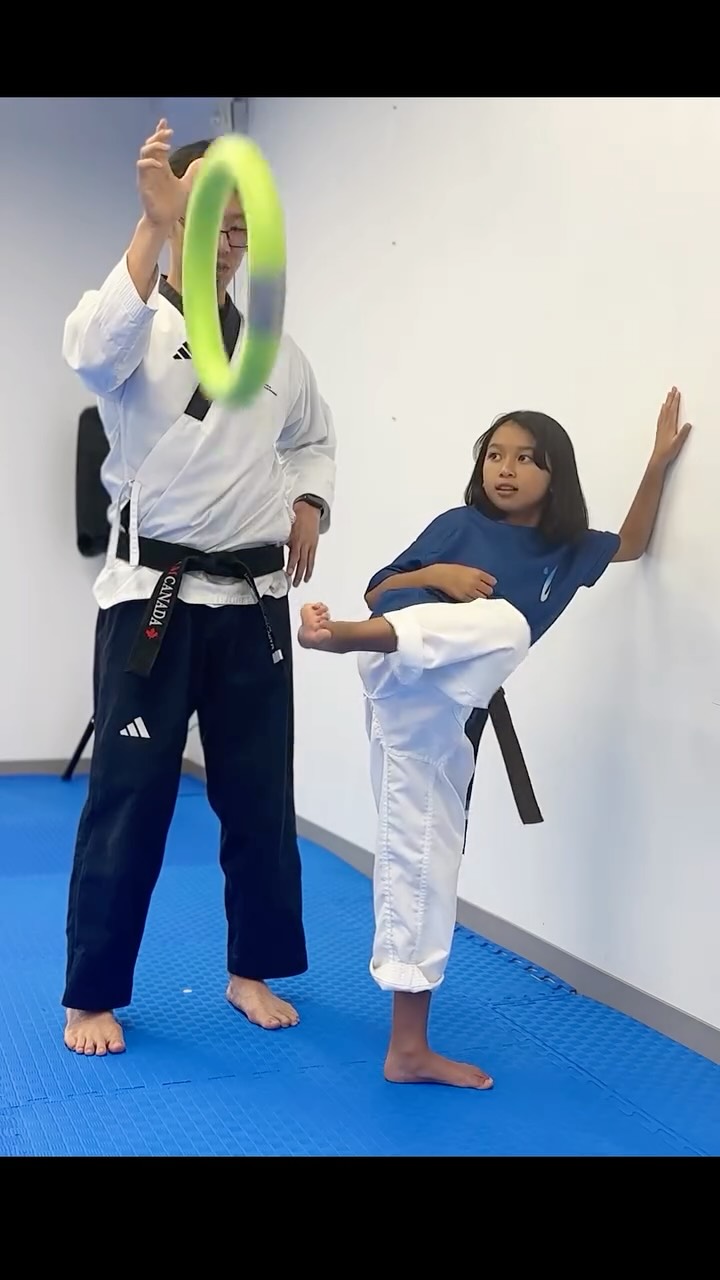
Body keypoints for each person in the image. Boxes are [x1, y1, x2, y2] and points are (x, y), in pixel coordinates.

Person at [298, 388, 691, 1089]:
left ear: (556, 474)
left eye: (525, 459)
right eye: (495, 456)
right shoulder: (459, 525)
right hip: (399, 670)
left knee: (426, 862)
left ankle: (408, 1046)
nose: (505, 469)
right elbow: (380, 588)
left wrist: (657, 462)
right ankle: (343, 640)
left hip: (448, 710)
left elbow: (630, 544)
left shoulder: (567, 550)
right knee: (509, 624)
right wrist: (436, 576)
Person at [61, 118, 337, 1056]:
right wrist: (150, 226)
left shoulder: (276, 350)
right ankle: (92, 993)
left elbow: (312, 437)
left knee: (259, 797)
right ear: (177, 216)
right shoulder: (132, 324)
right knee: (129, 801)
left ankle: (252, 968)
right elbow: (88, 352)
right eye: (207, 216)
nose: (227, 237)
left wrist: (309, 501)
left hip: (253, 603)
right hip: (155, 599)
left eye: (239, 222)